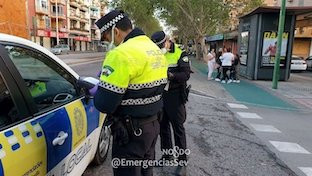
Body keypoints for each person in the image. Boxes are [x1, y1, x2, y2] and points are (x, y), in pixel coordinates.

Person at [93, 10, 168, 176]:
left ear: (115, 32)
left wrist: (98, 89)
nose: (107, 43)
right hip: (152, 126)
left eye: (105, 38)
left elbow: (105, 104)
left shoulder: (120, 54)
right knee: (145, 172)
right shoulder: (154, 49)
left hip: (131, 133)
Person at [151, 31, 191, 176]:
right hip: (161, 95)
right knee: (163, 128)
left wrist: (171, 75)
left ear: (167, 41)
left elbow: (186, 74)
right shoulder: (156, 54)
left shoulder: (180, 53)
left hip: (175, 96)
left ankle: (182, 161)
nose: (160, 47)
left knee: (178, 128)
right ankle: (167, 156)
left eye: (161, 45)